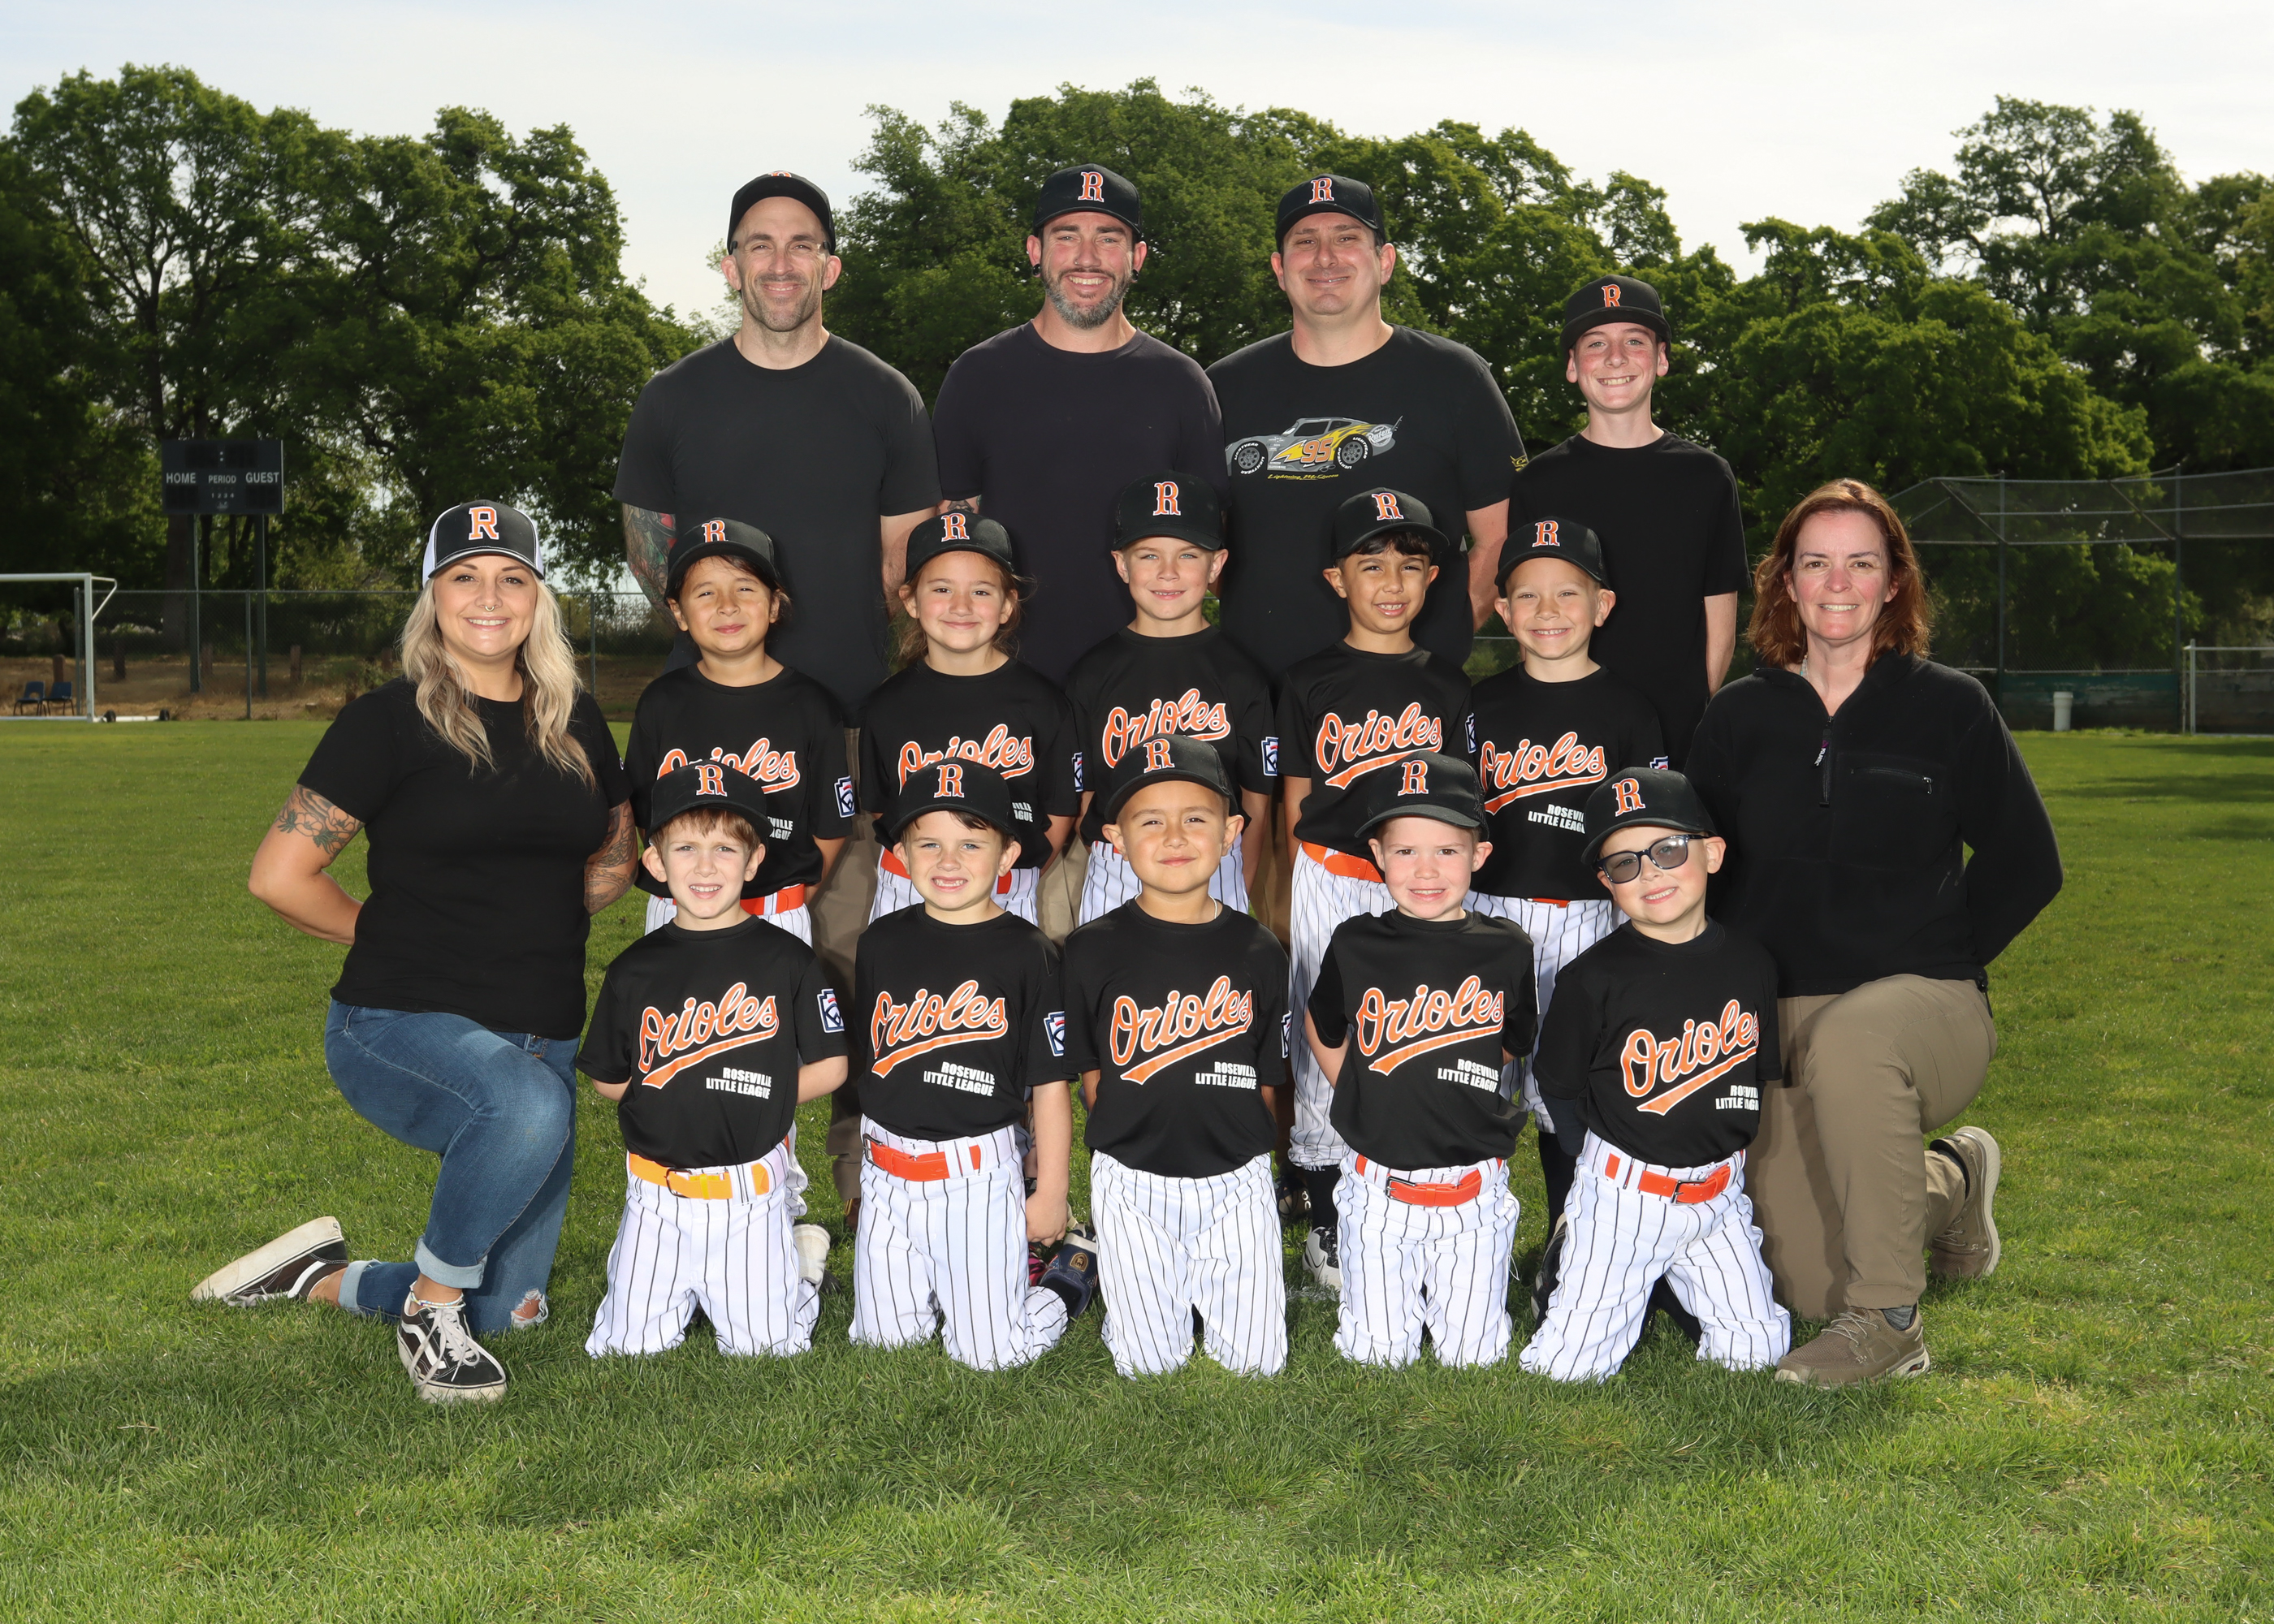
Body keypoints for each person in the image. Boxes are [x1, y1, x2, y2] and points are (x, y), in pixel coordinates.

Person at [206, 501, 635, 1404]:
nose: (489, 597)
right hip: (399, 1019)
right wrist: (401, 930)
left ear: (538, 597)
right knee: (526, 1109)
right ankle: (429, 1311)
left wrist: (538, 910)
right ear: (432, 596)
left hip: (543, 1026)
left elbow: (614, 851)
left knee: (508, 1309)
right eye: (464, 577)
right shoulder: (388, 721)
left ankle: (320, 1276)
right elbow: (280, 876)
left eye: (511, 578)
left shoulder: (578, 722)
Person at [1686, 478, 2062, 1386]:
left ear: (1895, 581)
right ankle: (1953, 1181)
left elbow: (2028, 860)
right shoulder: (1738, 714)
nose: (1837, 583)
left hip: (1921, 1003)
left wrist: (1937, 948)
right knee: (1802, 1281)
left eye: (1861, 562)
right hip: (1779, 1014)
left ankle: (1890, 1324)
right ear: (1785, 580)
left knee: (1856, 1043)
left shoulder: (1950, 705)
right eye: (1815, 562)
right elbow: (1700, 871)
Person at [613, 170, 940, 1013]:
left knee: (847, 975)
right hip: (706, 735)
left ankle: (844, 1113)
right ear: (731, 266)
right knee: (702, 982)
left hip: (849, 723)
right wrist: (730, 650)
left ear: (830, 266)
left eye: (802, 244)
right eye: (760, 244)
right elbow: (655, 561)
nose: (781, 263)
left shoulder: (885, 396)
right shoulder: (673, 398)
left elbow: (905, 571)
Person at [1520, 768, 1792, 1382]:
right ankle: (1572, 1252)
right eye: (1625, 864)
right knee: (1568, 1370)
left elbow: (1752, 1078)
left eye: (1668, 850)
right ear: (1607, 883)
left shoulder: (1753, 964)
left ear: (1712, 853)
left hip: (1719, 1196)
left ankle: (1666, 1280)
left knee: (1757, 1353)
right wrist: (1590, 1166)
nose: (1650, 874)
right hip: (1625, 1197)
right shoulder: (1591, 978)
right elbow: (1558, 1084)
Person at [577, 764, 849, 1358]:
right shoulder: (634, 968)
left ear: (754, 862)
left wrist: (753, 1094)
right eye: (686, 848)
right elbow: (606, 1076)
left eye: (725, 848)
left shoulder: (789, 959)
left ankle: (799, 1271)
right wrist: (674, 1094)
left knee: (766, 1349)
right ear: (655, 862)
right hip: (657, 1196)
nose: (705, 867)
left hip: (748, 1195)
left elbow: (832, 1068)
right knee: (625, 1349)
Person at [1275, 488, 1474, 1293]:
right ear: (1336, 578)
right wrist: (1291, 889)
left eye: (1410, 566)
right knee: (1323, 1038)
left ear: (1432, 579)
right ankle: (1327, 1213)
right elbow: (1296, 802)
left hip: (1417, 883)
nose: (1392, 583)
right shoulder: (1307, 680)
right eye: (1371, 565)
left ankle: (1412, 1196)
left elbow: (1462, 806)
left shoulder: (1450, 686)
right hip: (1331, 871)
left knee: (1412, 1032)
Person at [1209, 174, 1524, 679]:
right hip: (1260, 692)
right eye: (1305, 242)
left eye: (1347, 238)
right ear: (1279, 268)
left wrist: (1444, 634)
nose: (1325, 257)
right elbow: (1200, 544)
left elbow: (1502, 535)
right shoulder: (1223, 387)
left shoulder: (1454, 376)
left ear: (1385, 261)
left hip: (1411, 696)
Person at [931, 164, 1226, 686]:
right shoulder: (977, 375)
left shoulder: (1181, 383)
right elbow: (955, 532)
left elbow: (1208, 547)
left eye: (1108, 238)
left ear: (1136, 257)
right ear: (1035, 251)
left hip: (1147, 680)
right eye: (1067, 236)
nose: (1087, 258)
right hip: (1007, 676)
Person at [848, 761, 1100, 1371]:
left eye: (971, 843)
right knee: (883, 1345)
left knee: (990, 1354)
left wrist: (1051, 1190)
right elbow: (874, 1064)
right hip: (887, 1175)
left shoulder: (1030, 953)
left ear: (1008, 854)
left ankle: (1070, 1275)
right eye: (928, 843)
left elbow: (1049, 1085)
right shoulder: (879, 942)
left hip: (977, 1177)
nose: (948, 861)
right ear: (901, 853)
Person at [1062, 738, 1291, 1379]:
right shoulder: (1089, 949)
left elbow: (1268, 1079)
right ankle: (1089, 1274)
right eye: (1150, 821)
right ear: (1115, 838)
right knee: (1147, 1366)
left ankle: (1197, 1281)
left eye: (1195, 817)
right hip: (1132, 1177)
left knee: (1255, 1365)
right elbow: (1091, 1076)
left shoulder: (1261, 949)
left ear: (1231, 832)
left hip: (1236, 1179)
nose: (1174, 837)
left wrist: (1242, 1146)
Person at [1303, 754, 1534, 1368]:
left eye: (1447, 851)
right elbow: (1321, 1024)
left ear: (1480, 855)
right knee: (1378, 1354)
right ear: (1377, 854)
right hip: (1378, 1190)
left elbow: (1510, 1040)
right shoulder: (1356, 941)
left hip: (1474, 1191)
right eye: (1405, 851)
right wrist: (1357, 1086)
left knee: (1473, 1357)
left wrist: (1455, 1070)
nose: (1426, 870)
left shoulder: (1507, 947)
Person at [1468, 516, 1665, 1229]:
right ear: (1503, 610)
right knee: (1478, 1075)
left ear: (1602, 605)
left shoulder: (1630, 708)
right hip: (1489, 910)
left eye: (1568, 593)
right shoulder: (1478, 705)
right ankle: (1468, 1231)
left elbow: (1647, 828)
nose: (1547, 610)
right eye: (1527, 595)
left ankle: (1570, 1235)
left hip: (1589, 916)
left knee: (1572, 1081)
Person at [1507, 275, 1747, 766]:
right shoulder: (1539, 483)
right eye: (1596, 344)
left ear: (1661, 359)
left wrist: (1688, 718)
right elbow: (1528, 614)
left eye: (1634, 341)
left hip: (1674, 734)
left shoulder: (1706, 476)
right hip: (1568, 739)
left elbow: (1719, 620)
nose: (1615, 358)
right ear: (1572, 365)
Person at [622, 519, 852, 942]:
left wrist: (792, 898)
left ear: (774, 604)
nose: (727, 605)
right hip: (679, 910)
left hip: (776, 909)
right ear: (679, 613)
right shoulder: (661, 702)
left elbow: (831, 826)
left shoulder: (811, 704)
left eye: (745, 588)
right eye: (705, 593)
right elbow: (645, 816)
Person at [1066, 473, 1276, 924]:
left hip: (1215, 862)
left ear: (1216, 565)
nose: (1168, 572)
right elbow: (1085, 793)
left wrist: (1238, 885)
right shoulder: (1092, 674)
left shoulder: (1242, 675)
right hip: (1118, 864)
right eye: (1149, 555)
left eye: (1188, 554)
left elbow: (1256, 803)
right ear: (1122, 565)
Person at [859, 512, 1080, 926]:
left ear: (1007, 604)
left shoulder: (1043, 703)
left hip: (1008, 883)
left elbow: (1060, 811)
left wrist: (1012, 876)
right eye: (942, 589)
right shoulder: (886, 705)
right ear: (910, 600)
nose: (961, 606)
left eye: (980, 591)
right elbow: (880, 808)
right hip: (910, 885)